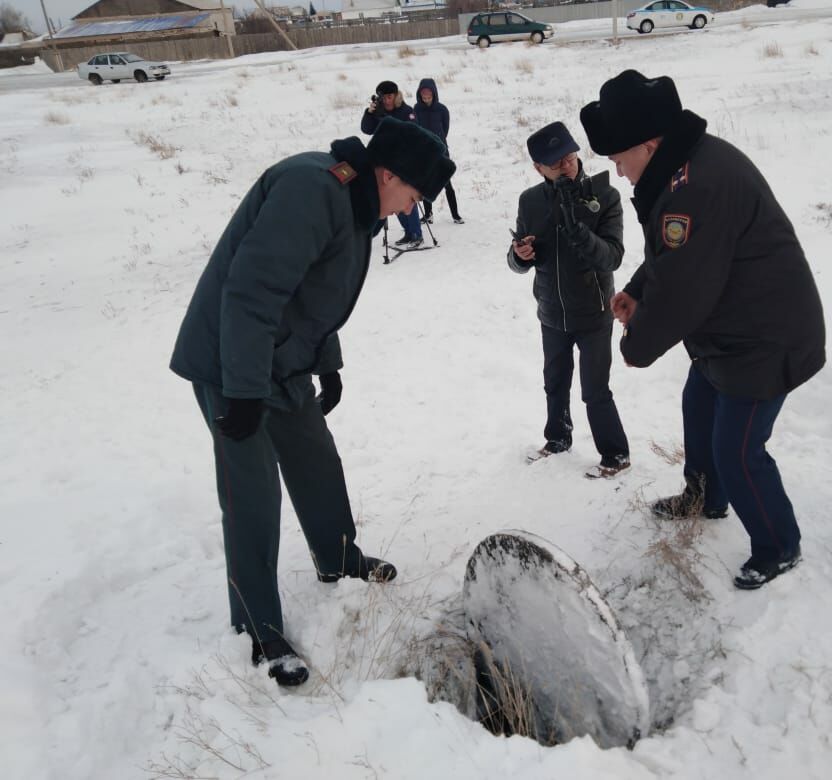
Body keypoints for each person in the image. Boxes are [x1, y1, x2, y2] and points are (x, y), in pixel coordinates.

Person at [170, 118, 455, 685]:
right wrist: (245, 392)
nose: (411, 208)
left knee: (316, 461)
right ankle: (256, 627)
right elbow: (252, 293)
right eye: (414, 196)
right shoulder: (311, 190)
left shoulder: (355, 203)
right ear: (389, 173)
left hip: (283, 360)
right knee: (252, 494)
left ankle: (339, 558)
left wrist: (328, 364)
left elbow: (319, 296)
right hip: (232, 361)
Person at [579, 70, 826, 589]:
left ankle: (780, 544)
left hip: (765, 338)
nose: (620, 174)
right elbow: (677, 259)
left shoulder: (696, 187)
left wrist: (636, 343)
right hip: (731, 332)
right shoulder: (684, 168)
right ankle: (705, 499)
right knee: (699, 408)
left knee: (738, 452)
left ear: (649, 144)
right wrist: (639, 292)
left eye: (621, 161)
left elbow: (685, 290)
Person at [507, 121, 630, 478]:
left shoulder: (604, 196)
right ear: (538, 168)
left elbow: (612, 257)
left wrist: (579, 233)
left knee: (595, 390)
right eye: (556, 162)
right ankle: (558, 439)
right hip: (551, 312)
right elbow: (516, 260)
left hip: (593, 313)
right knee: (555, 383)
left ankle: (616, 454)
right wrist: (520, 255)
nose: (567, 165)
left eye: (570, 157)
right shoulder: (530, 201)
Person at [361, 80, 424, 247]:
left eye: (390, 96)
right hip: (385, 162)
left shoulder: (406, 111)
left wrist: (384, 119)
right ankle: (408, 233)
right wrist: (369, 113)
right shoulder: (378, 111)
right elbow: (366, 129)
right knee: (393, 199)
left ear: (396, 95)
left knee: (407, 198)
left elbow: (411, 133)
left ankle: (417, 233)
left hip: (405, 160)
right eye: (385, 97)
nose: (387, 100)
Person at [414, 78, 464, 225]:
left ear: (434, 93)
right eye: (423, 93)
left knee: (447, 184)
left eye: (428, 93)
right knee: (426, 184)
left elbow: (445, 129)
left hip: (441, 151)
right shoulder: (416, 109)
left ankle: (455, 215)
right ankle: (428, 214)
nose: (426, 96)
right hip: (424, 152)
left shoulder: (442, 109)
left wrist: (439, 142)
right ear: (420, 93)